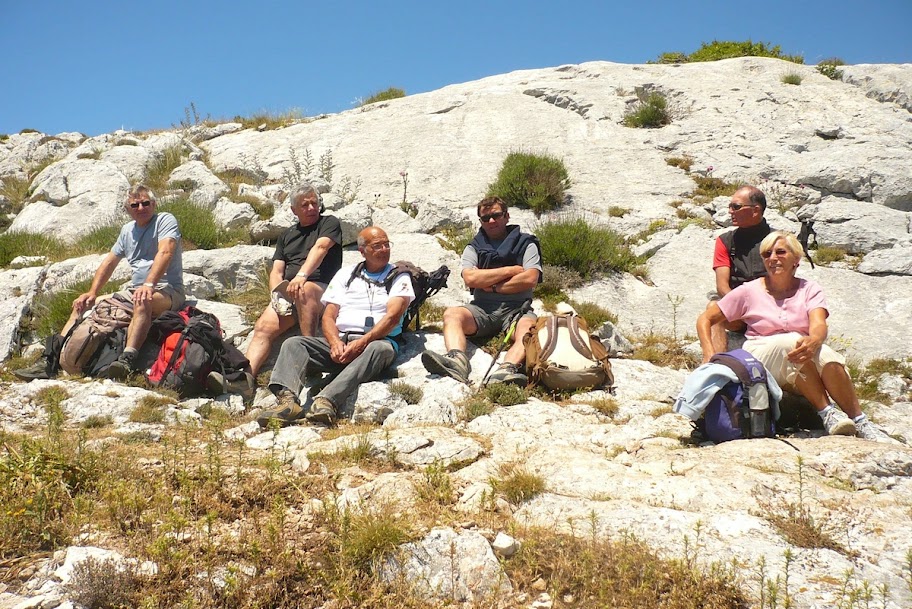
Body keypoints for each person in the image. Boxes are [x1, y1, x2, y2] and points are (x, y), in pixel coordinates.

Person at [697, 230, 892, 442]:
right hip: (760, 351)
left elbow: (818, 323)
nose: (773, 258)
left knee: (828, 357)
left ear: (796, 259)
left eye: (780, 252)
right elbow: (706, 318)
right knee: (792, 342)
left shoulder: (809, 289)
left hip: (797, 348)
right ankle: (827, 412)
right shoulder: (749, 291)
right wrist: (709, 353)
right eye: (767, 254)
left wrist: (815, 340)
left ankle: (860, 420)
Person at [16, 184, 185, 381]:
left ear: (154, 204)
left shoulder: (164, 220)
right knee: (82, 305)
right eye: (135, 205)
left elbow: (166, 251)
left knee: (143, 300)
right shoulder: (127, 231)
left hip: (167, 290)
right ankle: (50, 360)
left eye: (145, 203)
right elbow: (109, 262)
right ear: (128, 209)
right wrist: (92, 292)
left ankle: (127, 360)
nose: (141, 208)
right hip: (135, 290)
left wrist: (149, 285)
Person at [257, 226, 414, 427]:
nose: (384, 249)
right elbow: (329, 316)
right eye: (377, 246)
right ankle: (288, 402)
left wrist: (363, 342)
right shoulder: (346, 275)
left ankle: (326, 400)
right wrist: (334, 343)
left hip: (376, 341)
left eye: (386, 244)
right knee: (294, 344)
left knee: (379, 348)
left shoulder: (399, 275)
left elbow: (393, 317)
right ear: (362, 250)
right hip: (342, 341)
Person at [421, 196, 541, 385]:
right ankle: (457, 362)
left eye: (496, 215)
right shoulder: (473, 247)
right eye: (486, 218)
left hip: (518, 309)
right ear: (480, 222)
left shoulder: (527, 244)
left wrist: (491, 285)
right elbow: (470, 278)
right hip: (481, 309)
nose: (491, 221)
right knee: (452, 314)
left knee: (529, 331)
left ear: (507, 216)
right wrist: (511, 271)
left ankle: (506, 368)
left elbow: (530, 278)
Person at [242, 181, 342, 377]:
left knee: (304, 290)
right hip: (290, 291)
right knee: (263, 327)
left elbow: (321, 248)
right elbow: (277, 269)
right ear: (293, 210)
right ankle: (246, 377)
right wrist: (276, 294)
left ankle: (310, 353)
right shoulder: (287, 235)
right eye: (305, 205)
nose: (312, 208)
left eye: (314, 203)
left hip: (321, 287)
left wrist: (301, 276)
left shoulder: (329, 223)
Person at [707, 185, 773, 354]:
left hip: (772, 309)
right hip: (740, 311)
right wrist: (745, 309)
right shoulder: (725, 241)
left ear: (755, 210)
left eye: (736, 207)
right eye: (730, 207)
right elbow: (722, 286)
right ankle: (715, 365)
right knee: (714, 310)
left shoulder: (777, 241)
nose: (730, 211)